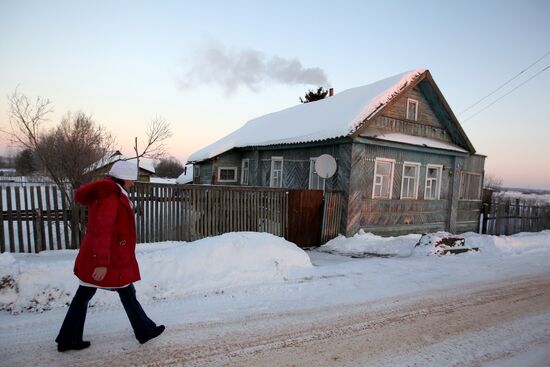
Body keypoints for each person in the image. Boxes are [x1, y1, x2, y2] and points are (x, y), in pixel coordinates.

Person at [56, 160, 165, 352]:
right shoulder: (110, 196)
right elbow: (103, 229)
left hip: (102, 254)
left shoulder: (109, 192)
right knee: (122, 293)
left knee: (100, 294)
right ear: (123, 178)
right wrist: (102, 262)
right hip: (107, 256)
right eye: (131, 179)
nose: (133, 183)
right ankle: (144, 330)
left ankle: (69, 338)